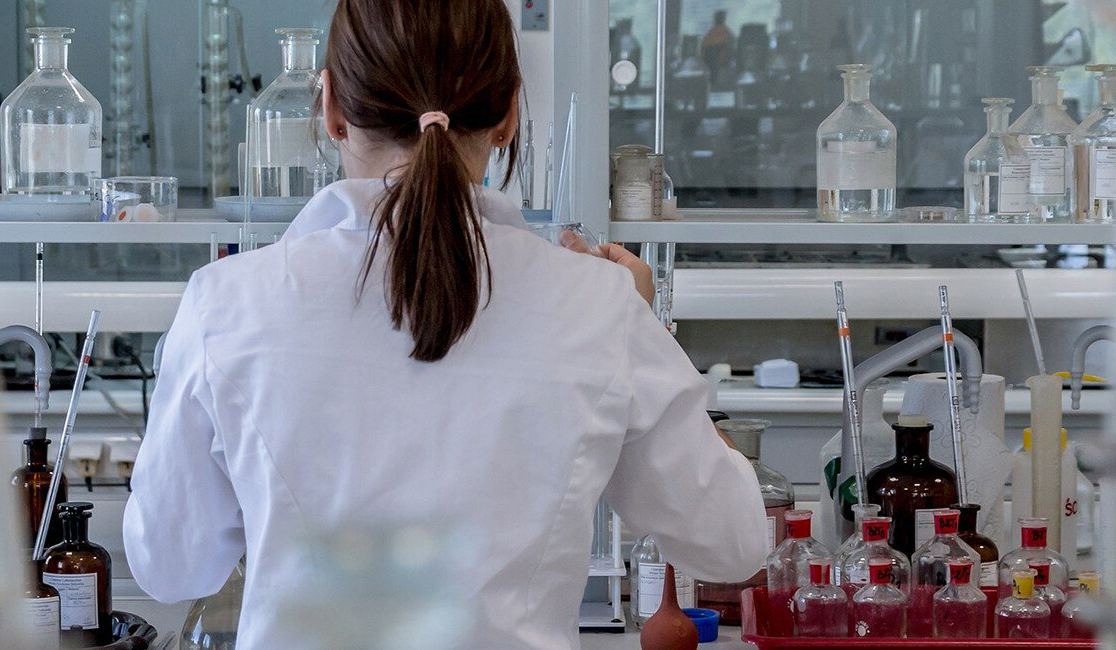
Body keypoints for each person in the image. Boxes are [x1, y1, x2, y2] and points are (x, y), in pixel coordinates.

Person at [121, 0, 771, 647]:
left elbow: (172, 568)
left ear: (332, 111)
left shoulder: (228, 306)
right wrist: (642, 325)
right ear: (509, 114)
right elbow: (734, 541)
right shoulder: (596, 305)